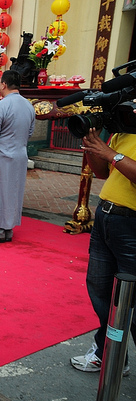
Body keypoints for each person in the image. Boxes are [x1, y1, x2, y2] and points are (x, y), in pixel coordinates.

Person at [70, 117, 136, 376]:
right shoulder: (126, 128)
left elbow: (114, 160)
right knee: (100, 290)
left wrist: (111, 154)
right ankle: (108, 352)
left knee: (132, 300)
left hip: (132, 224)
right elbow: (102, 172)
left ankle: (115, 355)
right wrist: (92, 147)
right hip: (107, 217)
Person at [0, 70, 35, 243]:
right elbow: (30, 132)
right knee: (14, 192)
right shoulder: (29, 106)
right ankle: (8, 228)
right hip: (20, 154)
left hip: (1, 155)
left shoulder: (1, 106)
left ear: (4, 84)